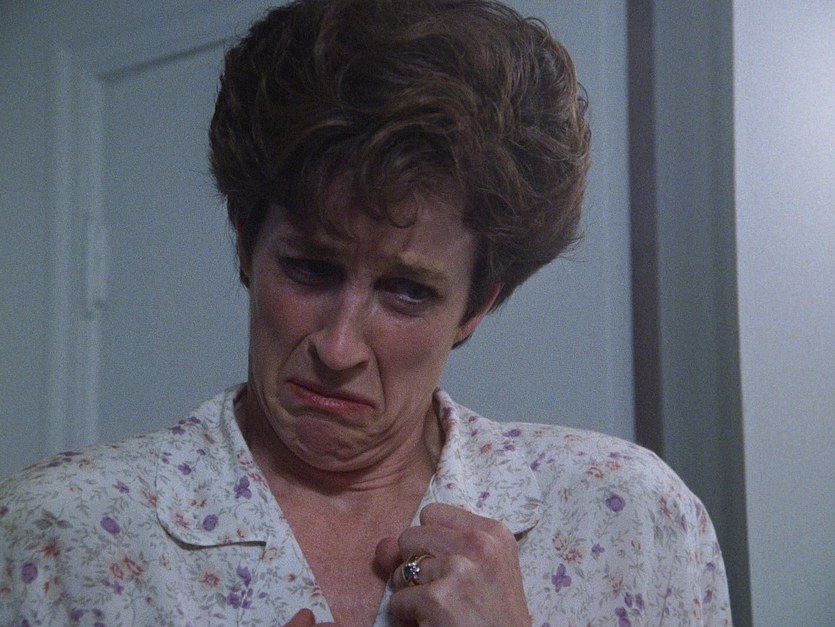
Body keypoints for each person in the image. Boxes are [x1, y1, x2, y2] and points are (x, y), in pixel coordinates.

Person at [0, 0, 732, 625]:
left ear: (478, 304)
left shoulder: (629, 516)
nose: (339, 346)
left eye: (407, 291)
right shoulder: (58, 532)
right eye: (309, 268)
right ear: (247, 243)